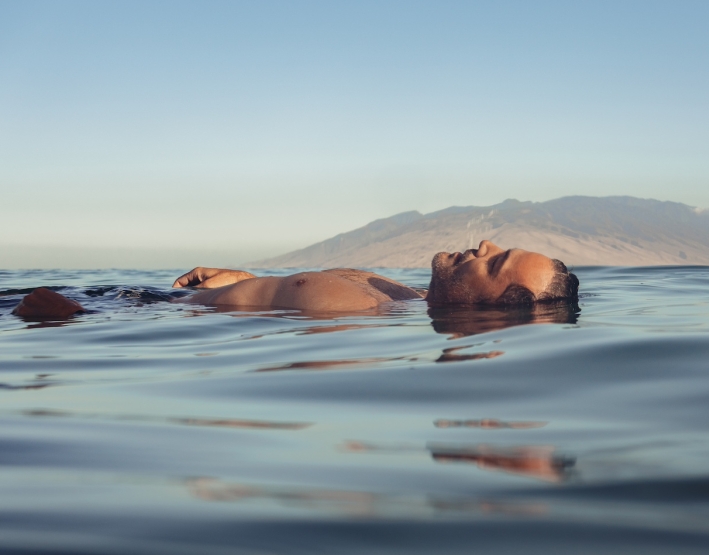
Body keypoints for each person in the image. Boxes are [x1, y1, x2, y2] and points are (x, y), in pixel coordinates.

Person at [10, 240, 579, 320]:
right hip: (124, 298)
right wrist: (243, 278)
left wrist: (74, 319)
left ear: (491, 307)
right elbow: (283, 288)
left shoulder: (364, 318)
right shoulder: (402, 295)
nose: (482, 246)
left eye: (494, 262)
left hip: (99, 312)